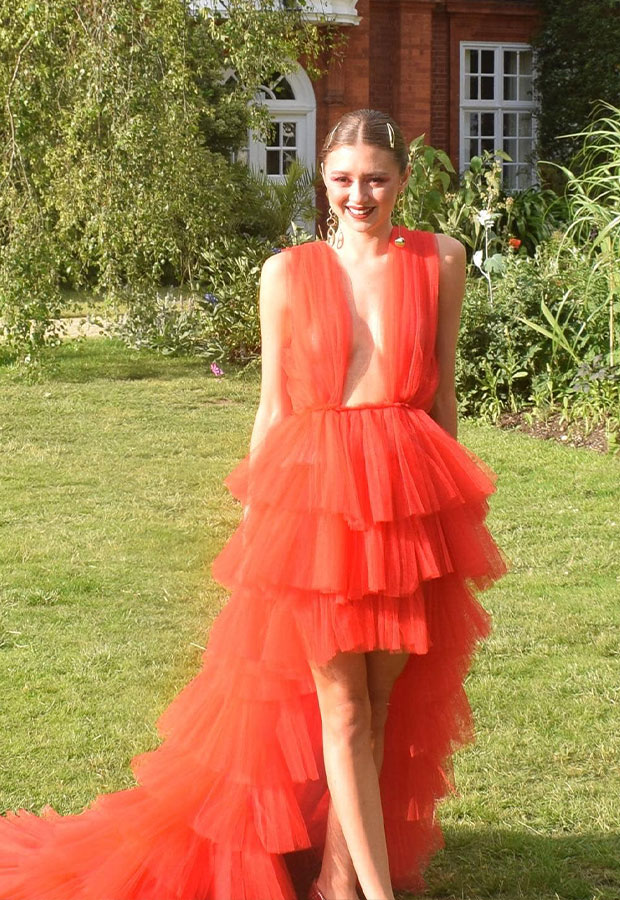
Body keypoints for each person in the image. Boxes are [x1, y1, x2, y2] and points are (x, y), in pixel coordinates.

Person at [0, 108, 507, 900]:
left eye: (376, 178)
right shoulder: (287, 272)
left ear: (405, 178)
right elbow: (273, 406)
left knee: (381, 707)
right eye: (343, 180)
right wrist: (258, 518)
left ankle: (340, 882)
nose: (359, 195)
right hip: (315, 507)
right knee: (341, 709)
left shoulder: (442, 260)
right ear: (323, 183)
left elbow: (443, 392)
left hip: (406, 498)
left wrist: (452, 504)